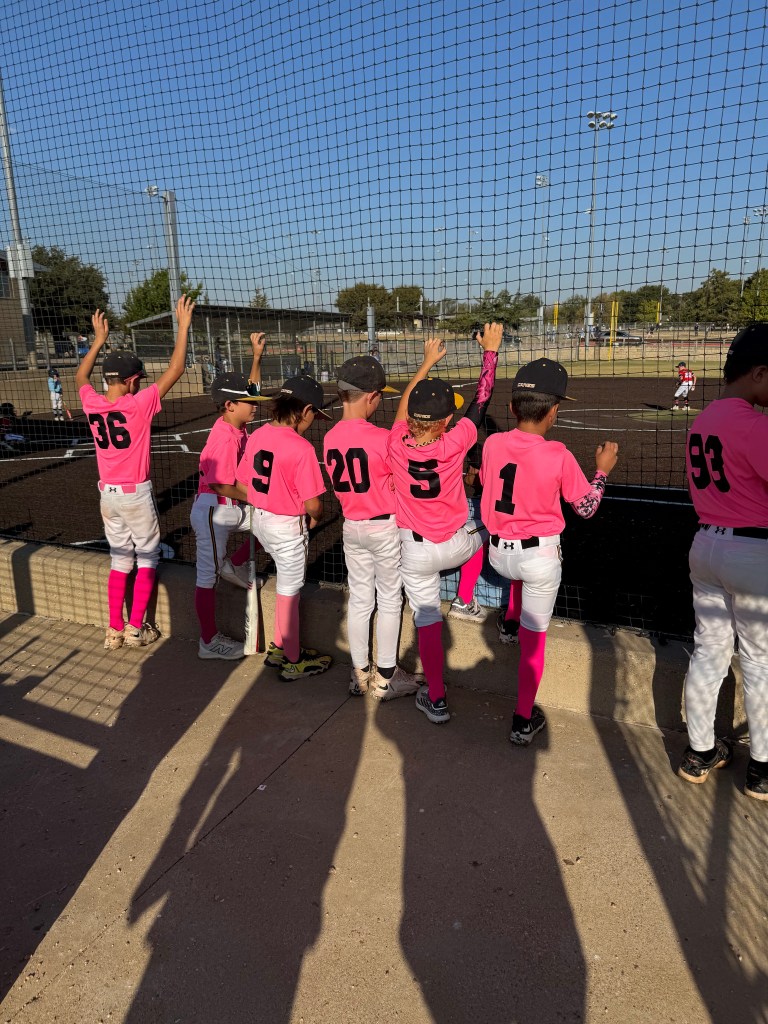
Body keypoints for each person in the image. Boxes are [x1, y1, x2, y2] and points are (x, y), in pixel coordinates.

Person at [480, 358, 618, 745]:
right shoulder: (558, 453)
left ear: (513, 408)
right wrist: (602, 471)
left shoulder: (492, 444)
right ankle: (523, 720)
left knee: (518, 574)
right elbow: (586, 508)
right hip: (537, 560)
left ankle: (510, 622)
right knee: (534, 640)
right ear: (554, 411)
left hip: (498, 556)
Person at [386, 324, 503, 724]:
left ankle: (435, 699)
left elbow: (403, 410)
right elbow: (481, 400)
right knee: (487, 525)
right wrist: (490, 352)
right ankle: (466, 601)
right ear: (448, 419)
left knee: (427, 624)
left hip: (414, 553)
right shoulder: (455, 442)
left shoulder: (395, 442)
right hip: (456, 543)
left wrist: (425, 364)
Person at [677, 324, 768, 801]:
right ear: (759, 373)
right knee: (760, 660)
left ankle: (700, 752)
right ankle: (762, 769)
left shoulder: (704, 418)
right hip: (752, 553)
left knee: (709, 651)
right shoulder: (756, 425)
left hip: (706, 546)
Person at [76, 297, 195, 650]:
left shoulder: (92, 403)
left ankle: (113, 629)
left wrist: (98, 341)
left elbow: (81, 376)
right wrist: (183, 327)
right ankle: (135, 627)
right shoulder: (137, 404)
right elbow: (176, 369)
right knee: (147, 557)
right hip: (135, 494)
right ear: (129, 381)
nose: (140, 385)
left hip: (107, 495)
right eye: (138, 380)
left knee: (120, 559)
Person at [323, 355, 421, 699]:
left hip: (352, 527)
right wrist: (422, 368)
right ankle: (386, 678)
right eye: (379, 396)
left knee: (361, 600)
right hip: (384, 527)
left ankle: (359, 674)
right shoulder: (381, 438)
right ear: (371, 396)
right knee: (390, 600)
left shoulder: (329, 437)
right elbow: (400, 431)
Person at [233, 374, 333, 681]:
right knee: (290, 592)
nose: (313, 421)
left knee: (284, 589)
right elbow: (314, 504)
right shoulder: (301, 447)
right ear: (305, 411)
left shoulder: (258, 434)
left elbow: (242, 484)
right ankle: (293, 660)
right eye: (314, 414)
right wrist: (316, 517)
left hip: (260, 520)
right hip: (287, 526)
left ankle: (280, 647)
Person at [191, 333, 267, 661]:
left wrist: (256, 357)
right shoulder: (223, 439)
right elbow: (221, 484)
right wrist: (256, 496)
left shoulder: (235, 424)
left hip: (229, 508)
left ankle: (233, 565)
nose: (255, 406)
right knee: (206, 578)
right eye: (249, 402)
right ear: (229, 405)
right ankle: (208, 641)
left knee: (274, 522)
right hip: (214, 511)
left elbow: (251, 390)